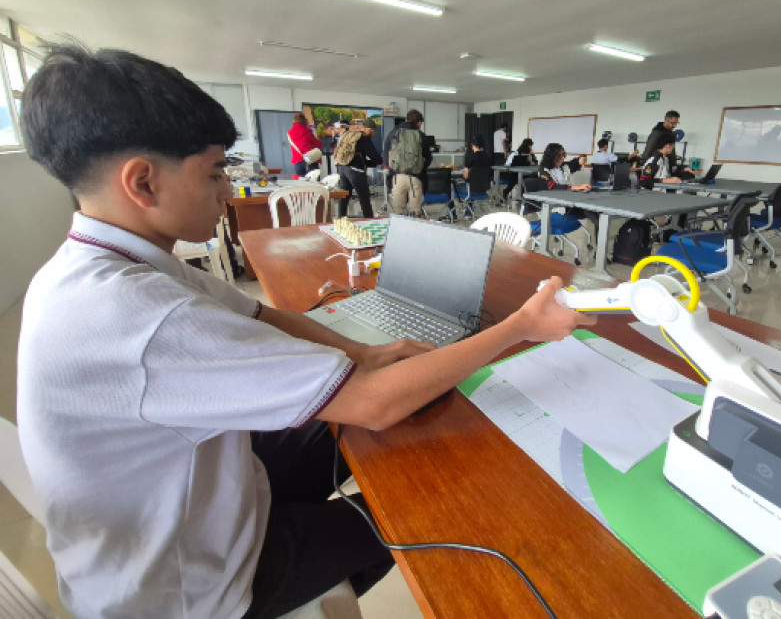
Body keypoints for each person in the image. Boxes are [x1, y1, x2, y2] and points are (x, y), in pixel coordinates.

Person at [17, 45, 595, 619]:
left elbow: (267, 316)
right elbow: (370, 405)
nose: (228, 191)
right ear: (141, 182)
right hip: (189, 587)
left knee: (380, 418)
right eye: (216, 171)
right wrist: (521, 326)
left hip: (188, 499)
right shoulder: (138, 313)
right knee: (427, 504)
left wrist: (367, 350)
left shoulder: (104, 265)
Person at [384, 109, 431, 216]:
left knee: (398, 212)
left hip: (397, 177)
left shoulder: (393, 133)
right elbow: (428, 157)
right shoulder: (420, 135)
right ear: (418, 122)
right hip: (415, 177)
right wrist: (421, 168)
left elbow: (386, 156)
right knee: (415, 212)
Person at [336, 118, 382, 218]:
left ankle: (340, 221)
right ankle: (370, 221)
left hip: (342, 168)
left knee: (344, 197)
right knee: (364, 197)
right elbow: (376, 159)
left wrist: (365, 162)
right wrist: (373, 163)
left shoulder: (350, 135)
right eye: (373, 132)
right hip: (355, 170)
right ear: (370, 129)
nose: (373, 134)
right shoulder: (364, 139)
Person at [644, 109, 697, 179]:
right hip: (659, 168)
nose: (674, 126)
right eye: (673, 123)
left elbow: (671, 155)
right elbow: (648, 152)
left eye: (676, 123)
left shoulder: (670, 133)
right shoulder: (656, 134)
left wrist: (681, 169)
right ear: (666, 121)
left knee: (689, 175)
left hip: (668, 166)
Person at [287, 113, 322, 179]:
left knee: (302, 183)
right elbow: (318, 144)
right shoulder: (307, 131)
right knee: (314, 184)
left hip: (297, 161)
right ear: (304, 120)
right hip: (309, 160)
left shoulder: (290, 133)